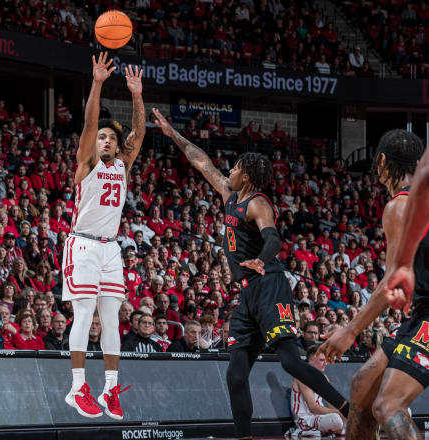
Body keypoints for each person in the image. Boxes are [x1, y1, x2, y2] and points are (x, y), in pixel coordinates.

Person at [152, 108, 349, 439]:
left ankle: (348, 410)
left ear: (248, 177)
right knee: (236, 374)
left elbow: (272, 236)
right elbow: (202, 162)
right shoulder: (229, 195)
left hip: (269, 284)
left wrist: (262, 258)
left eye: (237, 167)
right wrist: (173, 134)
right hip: (247, 293)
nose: (229, 169)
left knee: (290, 361)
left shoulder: (259, 203)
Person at [318, 130, 426, 439]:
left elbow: (392, 280)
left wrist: (350, 331)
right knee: (362, 386)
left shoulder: (400, 205)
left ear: (381, 162)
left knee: (388, 406)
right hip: (419, 314)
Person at [63, 53, 145, 421]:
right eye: (102, 137)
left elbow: (139, 133)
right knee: (83, 315)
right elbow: (90, 121)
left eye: (112, 136)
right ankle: (77, 386)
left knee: (112, 320)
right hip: (82, 244)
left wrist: (137, 95)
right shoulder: (86, 161)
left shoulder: (123, 165)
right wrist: (97, 83)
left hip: (111, 248)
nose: (107, 140)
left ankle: (110, 388)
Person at [290, 345, 345, 436]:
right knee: (336, 419)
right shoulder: (302, 377)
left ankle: (330, 430)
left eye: (326, 360)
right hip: (306, 420)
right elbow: (313, 407)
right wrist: (338, 413)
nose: (326, 363)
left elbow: (331, 402)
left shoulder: (324, 377)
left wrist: (344, 413)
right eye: (322, 360)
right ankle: (302, 431)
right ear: (311, 361)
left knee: (349, 419)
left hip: (319, 417)